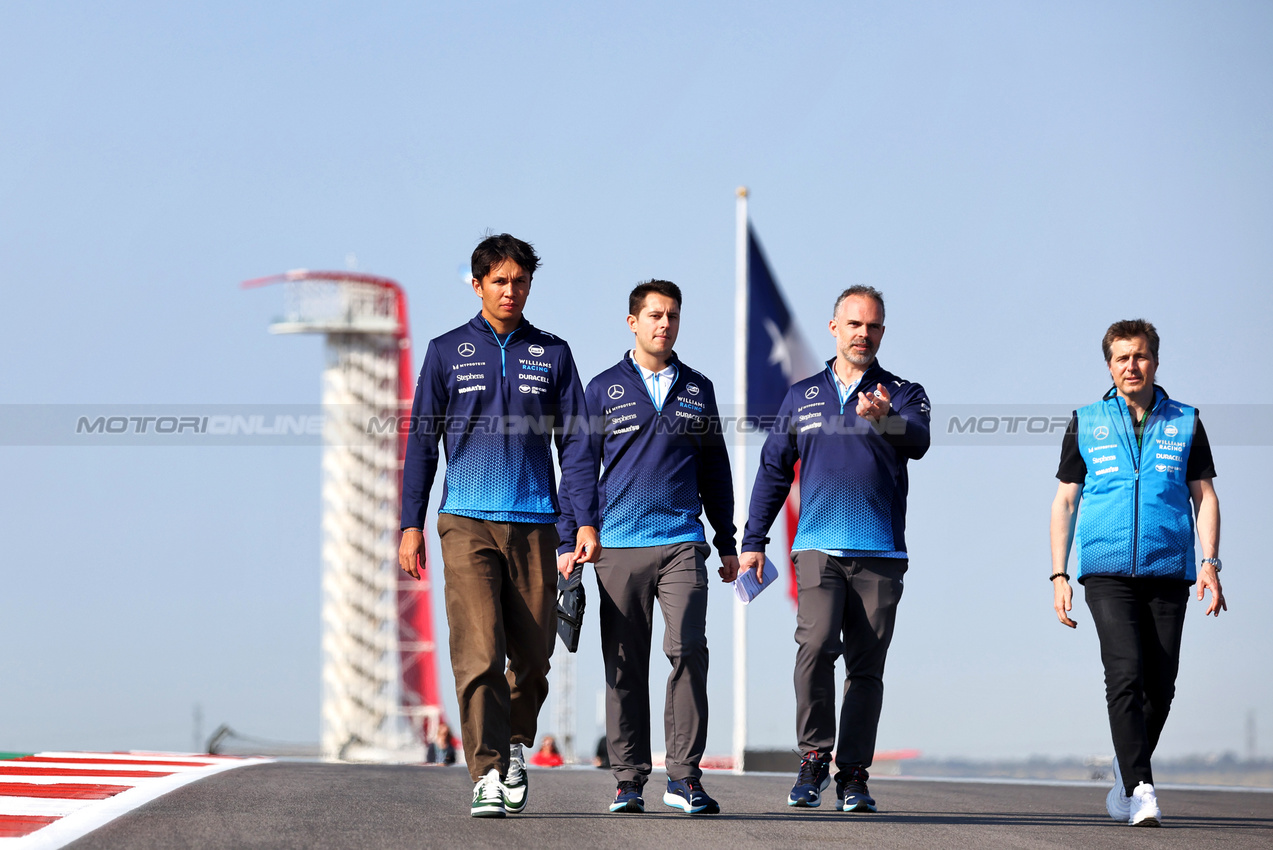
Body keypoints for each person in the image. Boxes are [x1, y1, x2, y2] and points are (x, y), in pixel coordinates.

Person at [399, 233, 601, 819]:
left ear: (530, 286)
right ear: (477, 283)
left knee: (533, 659)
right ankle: (486, 772)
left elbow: (579, 446)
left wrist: (582, 519)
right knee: (479, 653)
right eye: (499, 282)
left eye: (519, 282)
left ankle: (515, 741)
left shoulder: (554, 354)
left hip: (537, 525)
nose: (510, 291)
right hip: (465, 522)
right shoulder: (445, 352)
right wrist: (411, 523)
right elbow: (421, 443)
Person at [739, 285, 930, 813]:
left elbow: (919, 441)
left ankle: (853, 776)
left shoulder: (903, 392)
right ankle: (813, 760)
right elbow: (773, 471)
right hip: (818, 548)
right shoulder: (801, 395)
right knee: (816, 647)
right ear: (834, 328)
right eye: (854, 325)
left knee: (866, 669)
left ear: (882, 333)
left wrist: (883, 419)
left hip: (881, 553)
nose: (863, 334)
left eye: (872, 327)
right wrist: (752, 541)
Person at [557, 280, 737, 815]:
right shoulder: (602, 388)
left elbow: (716, 472)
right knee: (624, 664)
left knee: (688, 652)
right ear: (632, 321)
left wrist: (727, 542)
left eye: (673, 316)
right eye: (655, 315)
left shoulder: (698, 390)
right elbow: (579, 468)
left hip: (683, 541)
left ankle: (683, 777)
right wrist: (573, 535)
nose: (665, 324)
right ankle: (629, 780)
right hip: (616, 546)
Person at [1049, 319, 1224, 828]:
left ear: (1155, 361)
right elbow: (1065, 500)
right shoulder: (1087, 420)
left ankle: (1125, 777)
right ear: (1109, 365)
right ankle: (1142, 788)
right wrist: (1058, 575)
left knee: (1161, 684)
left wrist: (1210, 564)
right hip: (1105, 570)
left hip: (1169, 567)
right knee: (1124, 672)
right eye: (1122, 357)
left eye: (1141, 356)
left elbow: (1205, 497)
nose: (1131, 365)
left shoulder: (1186, 421)